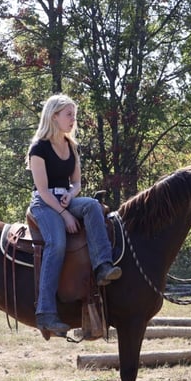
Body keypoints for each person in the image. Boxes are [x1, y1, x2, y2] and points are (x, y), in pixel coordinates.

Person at [27, 94, 122, 334]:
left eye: (74, 115)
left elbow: (77, 182)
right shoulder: (38, 148)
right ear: (54, 116)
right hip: (44, 204)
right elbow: (42, 190)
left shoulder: (71, 146)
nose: (73, 119)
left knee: (92, 205)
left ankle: (103, 266)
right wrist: (65, 214)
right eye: (69, 114)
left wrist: (71, 194)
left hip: (64, 199)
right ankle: (45, 312)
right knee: (57, 242)